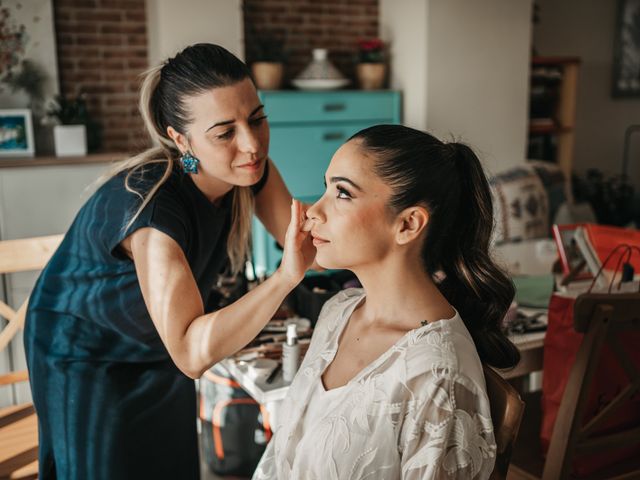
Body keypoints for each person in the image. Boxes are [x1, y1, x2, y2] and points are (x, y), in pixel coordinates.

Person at [24, 43, 314, 480]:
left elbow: (312, 242)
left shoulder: (250, 171)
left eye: (256, 118)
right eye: (224, 132)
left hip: (159, 342)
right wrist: (286, 277)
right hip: (88, 353)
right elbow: (192, 353)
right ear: (180, 138)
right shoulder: (153, 210)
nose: (251, 145)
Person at [253, 124, 521, 479]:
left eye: (342, 193)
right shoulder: (339, 312)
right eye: (325, 188)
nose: (313, 212)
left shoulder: (437, 375)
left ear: (408, 224)